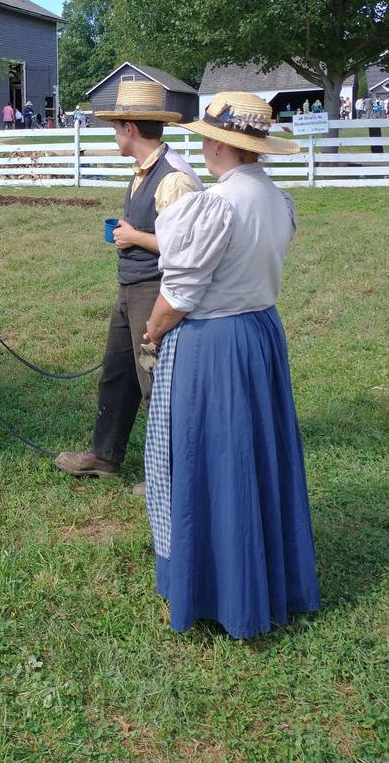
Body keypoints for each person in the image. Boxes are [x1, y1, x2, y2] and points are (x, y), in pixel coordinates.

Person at [142, 91, 320, 638]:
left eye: (205, 137)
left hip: (214, 345)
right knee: (256, 458)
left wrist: (152, 329)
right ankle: (269, 577)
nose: (202, 145)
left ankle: (220, 589)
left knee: (212, 458)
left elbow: (180, 293)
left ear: (221, 143)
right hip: (261, 334)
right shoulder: (275, 199)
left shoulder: (219, 204)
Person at [54, 79, 202, 482]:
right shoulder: (144, 171)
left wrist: (134, 237)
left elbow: (189, 252)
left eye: (117, 126)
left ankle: (171, 476)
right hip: (133, 286)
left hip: (157, 291)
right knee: (118, 373)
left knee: (155, 381)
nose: (114, 134)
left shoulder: (175, 180)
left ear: (131, 129)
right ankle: (104, 455)